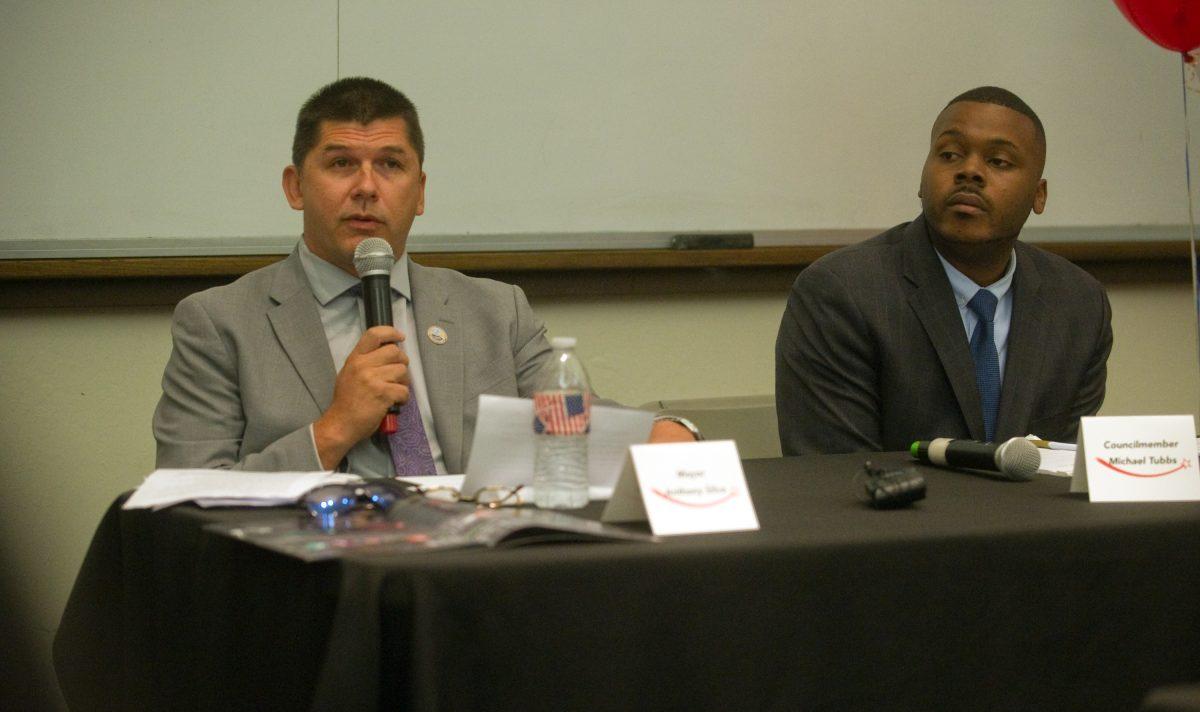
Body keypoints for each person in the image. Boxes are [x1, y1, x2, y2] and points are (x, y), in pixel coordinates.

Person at [154, 77, 696, 475]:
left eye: (390, 165)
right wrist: (333, 430)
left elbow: (576, 424)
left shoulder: (496, 310)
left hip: (473, 578)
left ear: (420, 191)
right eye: (341, 163)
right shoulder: (218, 322)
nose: (367, 187)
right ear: (295, 186)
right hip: (317, 589)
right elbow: (186, 501)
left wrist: (666, 432)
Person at [775, 86, 1112, 455]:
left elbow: (1059, 467)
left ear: (1039, 195)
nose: (969, 171)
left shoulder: (1078, 305)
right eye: (950, 154)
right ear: (922, 179)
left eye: (998, 161)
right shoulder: (842, 293)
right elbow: (839, 479)